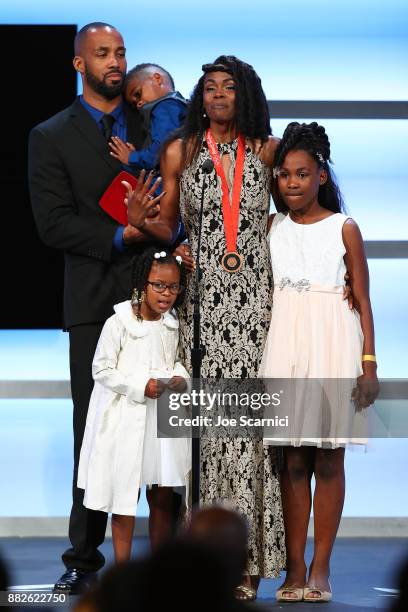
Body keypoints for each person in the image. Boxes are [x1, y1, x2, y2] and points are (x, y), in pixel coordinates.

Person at [122, 55, 286, 601]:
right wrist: (146, 222)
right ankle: (205, 565)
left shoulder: (268, 148)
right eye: (210, 88)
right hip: (204, 306)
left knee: (252, 432)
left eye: (229, 88)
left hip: (257, 302)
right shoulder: (181, 150)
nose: (218, 97)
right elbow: (169, 223)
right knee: (209, 433)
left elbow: (290, 210)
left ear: (246, 96)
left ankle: (251, 565)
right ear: (200, 96)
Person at [27, 22, 162, 593]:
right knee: (96, 429)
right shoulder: (51, 135)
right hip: (92, 300)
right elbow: (52, 222)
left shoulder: (152, 126)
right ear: (79, 64)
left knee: (170, 427)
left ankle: (175, 558)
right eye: (103, 53)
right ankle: (83, 559)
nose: (116, 61)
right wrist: (118, 236)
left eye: (121, 52)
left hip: (161, 296)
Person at [259, 121, 380, 602]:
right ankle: (292, 568)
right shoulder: (271, 227)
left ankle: (321, 569)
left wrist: (368, 364)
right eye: (285, 174)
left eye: (302, 174)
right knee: (292, 459)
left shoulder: (344, 229)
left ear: (321, 176)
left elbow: (364, 300)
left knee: (329, 457)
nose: (292, 183)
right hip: (286, 341)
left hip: (333, 341)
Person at [77, 247, 190, 562]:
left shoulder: (174, 322)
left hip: (161, 419)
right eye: (159, 286)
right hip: (126, 419)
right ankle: (122, 571)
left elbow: (178, 360)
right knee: (124, 495)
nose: (166, 294)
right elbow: (101, 369)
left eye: (173, 287)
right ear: (143, 283)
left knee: (163, 495)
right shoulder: (120, 322)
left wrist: (179, 377)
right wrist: (140, 386)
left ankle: (159, 568)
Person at [109, 63, 187, 171]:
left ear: (157, 79)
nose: (138, 104)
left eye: (138, 94)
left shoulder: (164, 106)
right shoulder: (177, 106)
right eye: (134, 104)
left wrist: (131, 157)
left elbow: (163, 148)